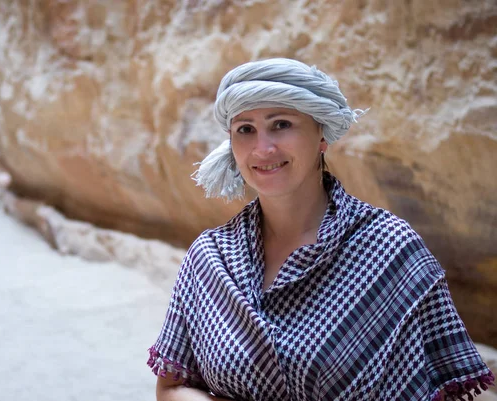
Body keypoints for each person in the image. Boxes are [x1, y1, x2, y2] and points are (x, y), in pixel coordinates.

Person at [147, 58, 494, 401]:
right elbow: (173, 386)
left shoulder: (390, 248)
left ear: (322, 135)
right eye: (245, 129)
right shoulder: (210, 256)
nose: (262, 148)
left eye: (281, 124)